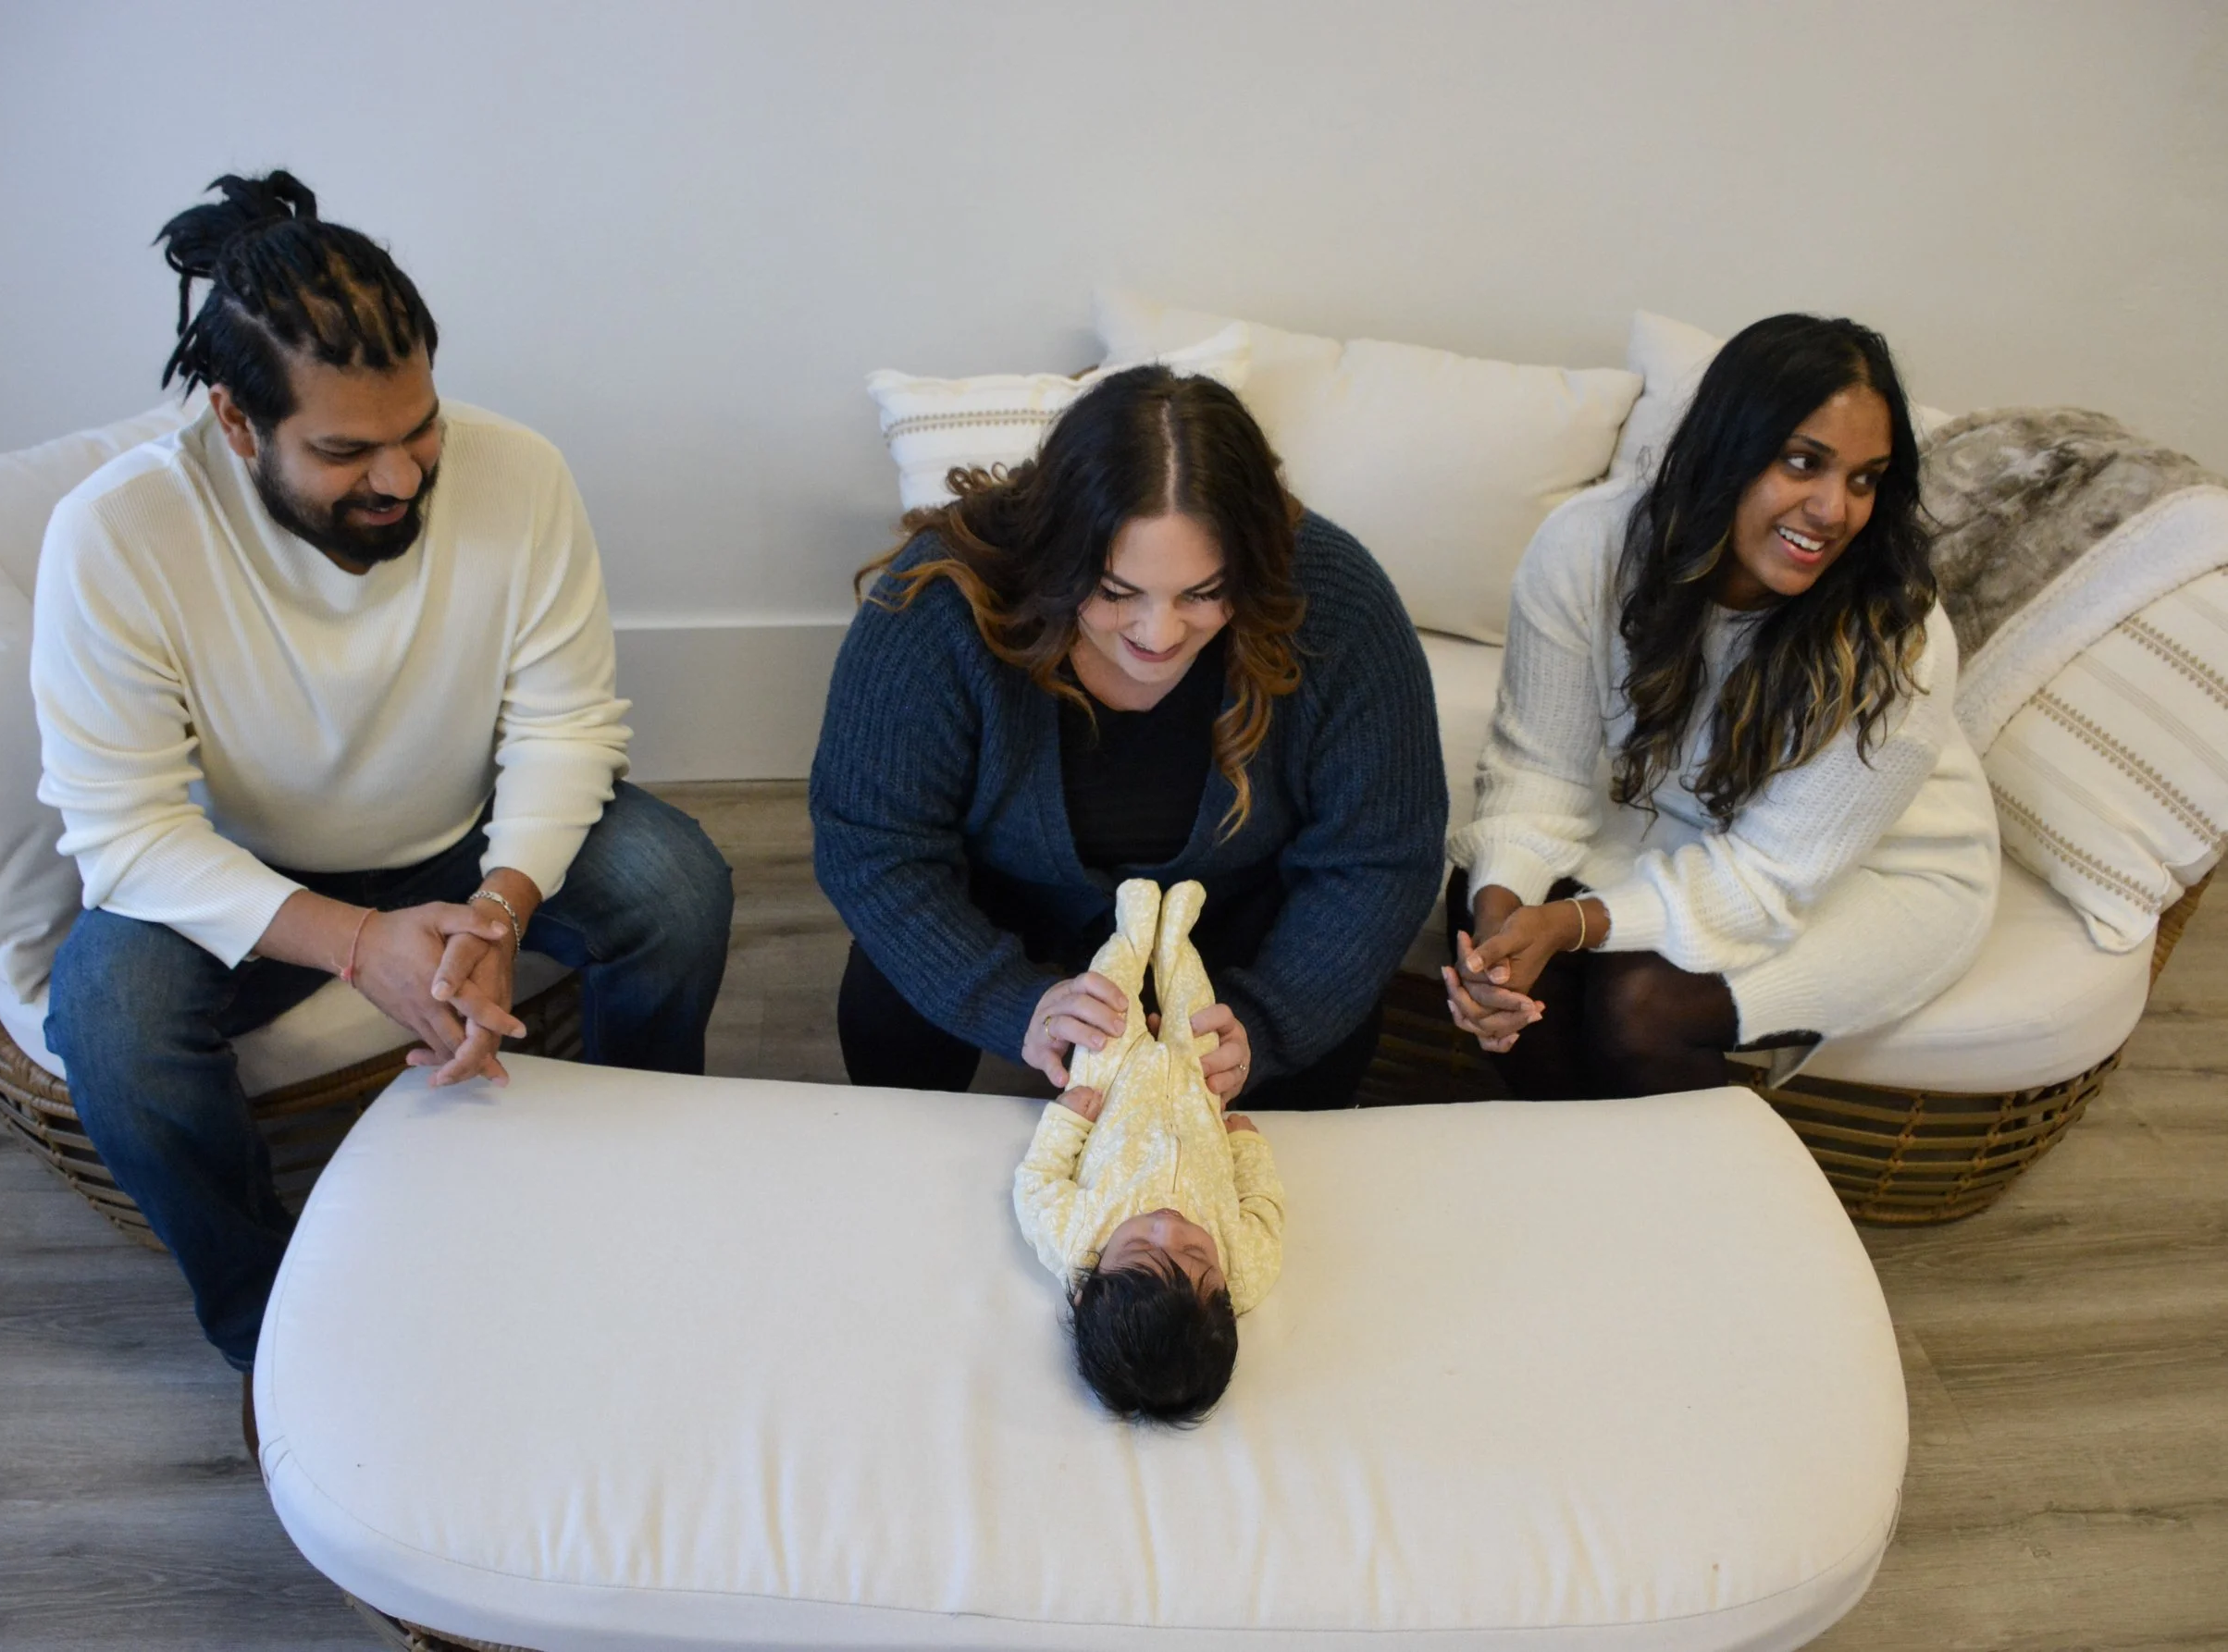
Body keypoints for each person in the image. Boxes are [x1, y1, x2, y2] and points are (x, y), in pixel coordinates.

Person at [31, 172, 735, 1390]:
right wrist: (363, 945)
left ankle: (620, 1184)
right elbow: (123, 828)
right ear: (236, 424)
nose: (403, 479)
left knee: (679, 888)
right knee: (111, 1018)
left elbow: (568, 727)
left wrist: (502, 907)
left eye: (421, 432)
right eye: (347, 451)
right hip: (255, 869)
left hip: (464, 837)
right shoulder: (116, 535)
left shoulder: (523, 476)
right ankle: (269, 1322)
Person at [810, 365, 1446, 1109]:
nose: (1159, 634)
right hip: (1004, 910)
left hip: (1236, 923)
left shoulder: (1336, 598)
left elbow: (1381, 855)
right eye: (1115, 592)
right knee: (890, 995)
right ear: (1053, 553)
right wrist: (1014, 1005)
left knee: (1329, 1044)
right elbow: (874, 846)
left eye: (1204, 594)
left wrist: (1271, 1023)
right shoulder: (938, 601)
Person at [1444, 314, 1999, 1099]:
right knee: (1485, 888)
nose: (1834, 510)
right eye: (1803, 463)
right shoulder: (1591, 547)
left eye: (1864, 478)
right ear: (1726, 449)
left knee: (1639, 1002)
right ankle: (1569, 1166)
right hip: (1675, 818)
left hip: (1871, 869)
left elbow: (1770, 876)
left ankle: (1703, 1204)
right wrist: (1495, 947)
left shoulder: (1897, 641)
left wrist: (1569, 926)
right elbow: (1537, 771)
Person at [1013, 879, 1284, 1424]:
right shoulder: (1247, 1268)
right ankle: (1178, 943)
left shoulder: (1071, 1240)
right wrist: (1247, 1147)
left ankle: (1132, 935)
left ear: (1087, 1289)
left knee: (1102, 1012)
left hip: (1113, 1085)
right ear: (1228, 1300)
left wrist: (1067, 1118)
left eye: (1140, 1245)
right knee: (1199, 1018)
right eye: (1195, 1254)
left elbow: (1038, 1179)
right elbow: (1264, 1209)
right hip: (1197, 1090)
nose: (1169, 1225)